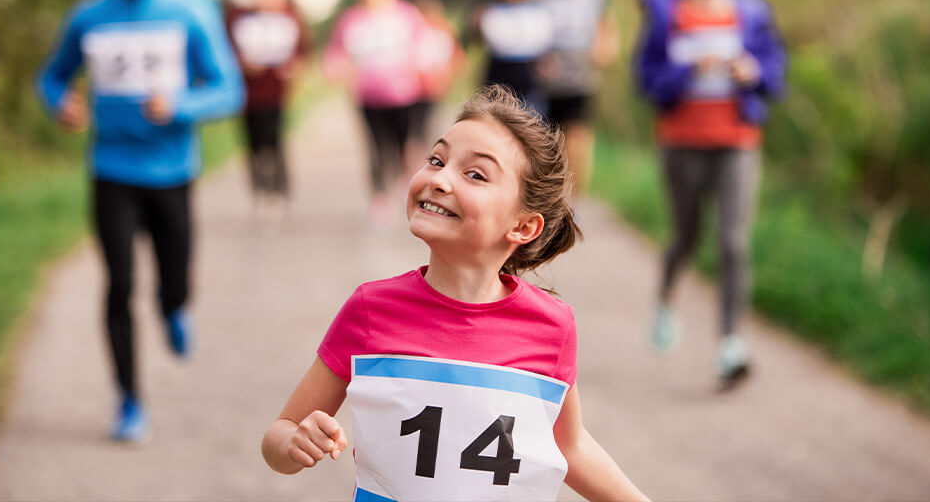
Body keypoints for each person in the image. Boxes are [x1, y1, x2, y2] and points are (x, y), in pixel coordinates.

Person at [260, 85, 649, 502]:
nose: (439, 179)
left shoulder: (552, 326)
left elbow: (570, 447)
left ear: (522, 227)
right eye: (436, 159)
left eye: (475, 174)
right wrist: (293, 443)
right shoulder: (371, 309)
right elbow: (279, 436)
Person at [36, 0, 244, 442]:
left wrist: (180, 105)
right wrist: (59, 102)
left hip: (172, 173)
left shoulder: (190, 11)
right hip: (112, 171)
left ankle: (174, 307)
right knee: (119, 284)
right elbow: (52, 76)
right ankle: (129, 400)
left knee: (173, 280)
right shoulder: (88, 16)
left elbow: (228, 89)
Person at [630, 0, 787, 387]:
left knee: (734, 241)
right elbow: (646, 78)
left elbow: (775, 72)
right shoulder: (665, 7)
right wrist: (685, 71)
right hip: (681, 141)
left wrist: (752, 71)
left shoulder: (752, 10)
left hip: (737, 140)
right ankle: (666, 296)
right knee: (686, 235)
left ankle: (730, 344)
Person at [323, 0, 427, 227]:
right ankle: (380, 199)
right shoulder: (351, 20)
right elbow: (335, 53)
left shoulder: (406, 14)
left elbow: (425, 45)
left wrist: (421, 65)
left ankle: (404, 180)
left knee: (403, 145)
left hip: (404, 94)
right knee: (377, 147)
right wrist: (336, 69)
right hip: (368, 97)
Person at [537, 0, 619, 195]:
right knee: (547, 144)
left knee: (578, 139)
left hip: (580, 77)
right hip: (546, 81)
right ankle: (550, 197)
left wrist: (604, 49)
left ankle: (574, 198)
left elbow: (608, 29)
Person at [226, 0, 312, 216]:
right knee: (252, 147)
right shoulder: (240, 19)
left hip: (276, 96)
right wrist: (242, 63)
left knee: (275, 144)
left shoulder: (290, 20)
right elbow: (227, 50)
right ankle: (260, 193)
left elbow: (303, 53)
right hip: (247, 96)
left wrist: (294, 68)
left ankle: (281, 191)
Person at [465, 0, 553, 113]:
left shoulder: (539, 7)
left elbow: (546, 51)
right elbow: (470, 40)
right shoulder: (486, 7)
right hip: (496, 85)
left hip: (531, 88)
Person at [410, 0, 466, 174]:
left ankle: (424, 159)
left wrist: (447, 75)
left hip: (435, 87)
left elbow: (455, 56)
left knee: (425, 126)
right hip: (415, 88)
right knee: (419, 127)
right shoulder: (414, 32)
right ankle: (419, 159)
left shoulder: (444, 29)